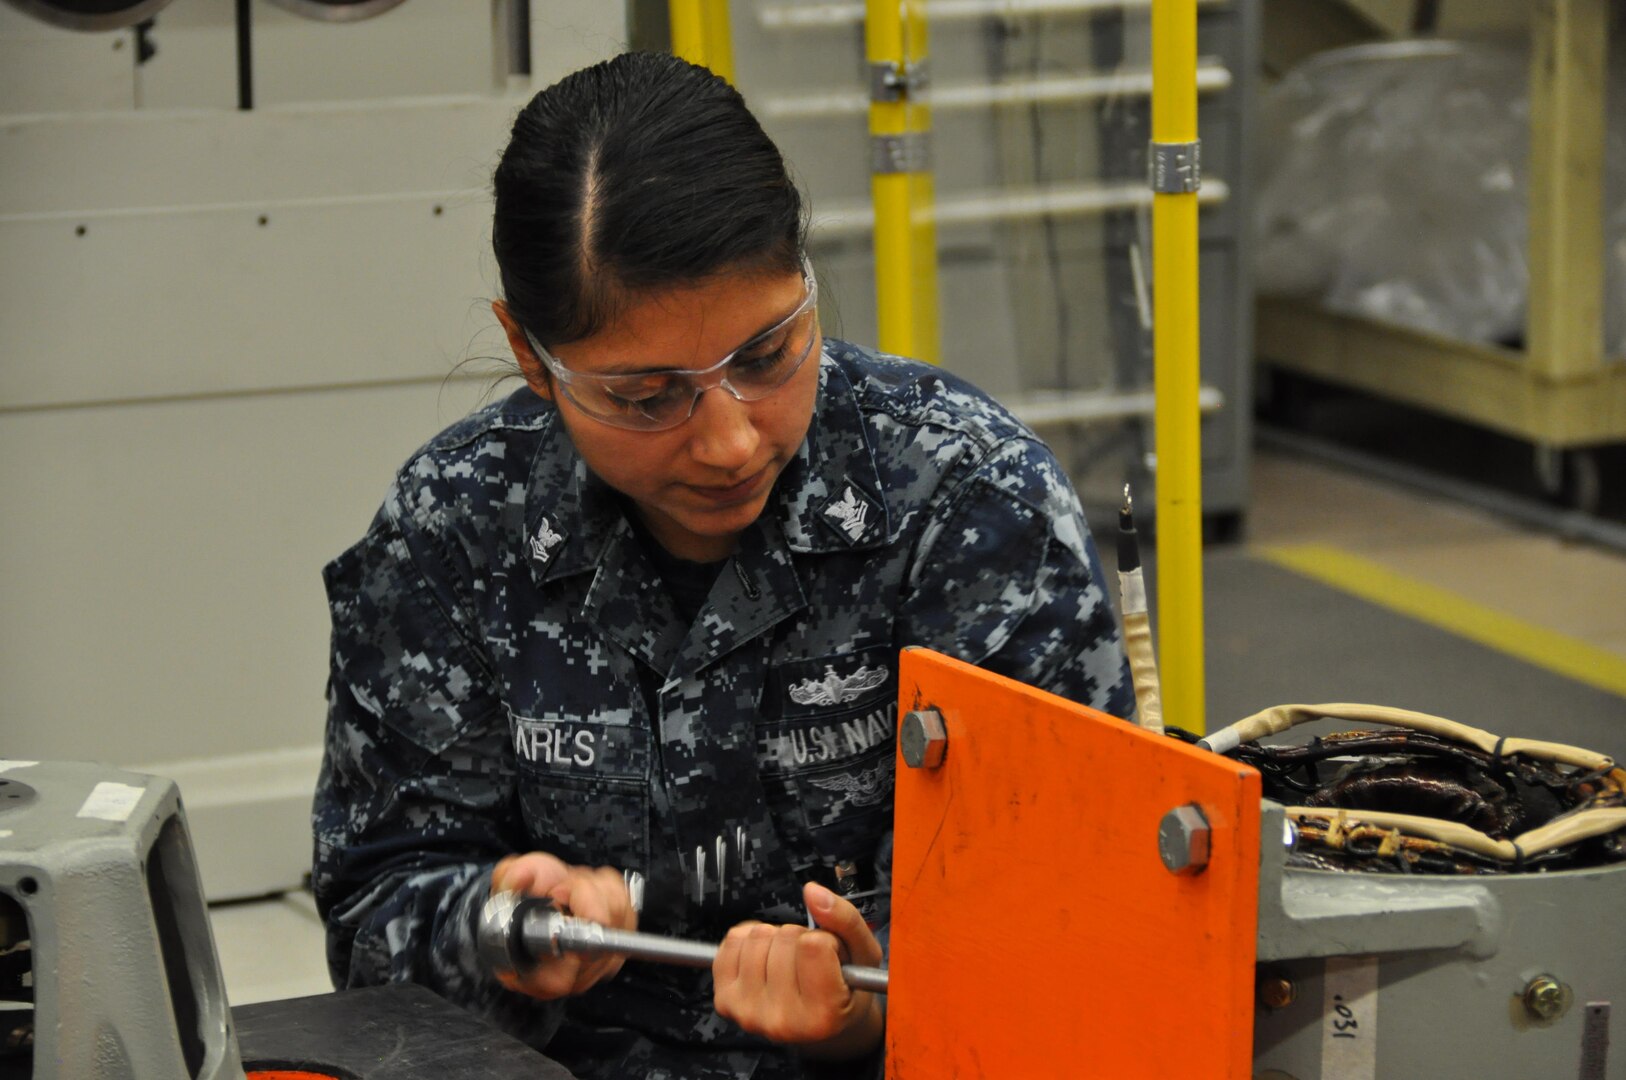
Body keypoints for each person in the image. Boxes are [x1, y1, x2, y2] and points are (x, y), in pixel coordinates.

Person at [312, 51, 1133, 1080]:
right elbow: (372, 915)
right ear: (530, 356)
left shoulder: (969, 507)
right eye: (647, 396)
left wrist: (869, 1018)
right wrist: (496, 929)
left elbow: (1084, 923)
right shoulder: (457, 528)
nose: (730, 441)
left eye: (766, 354)